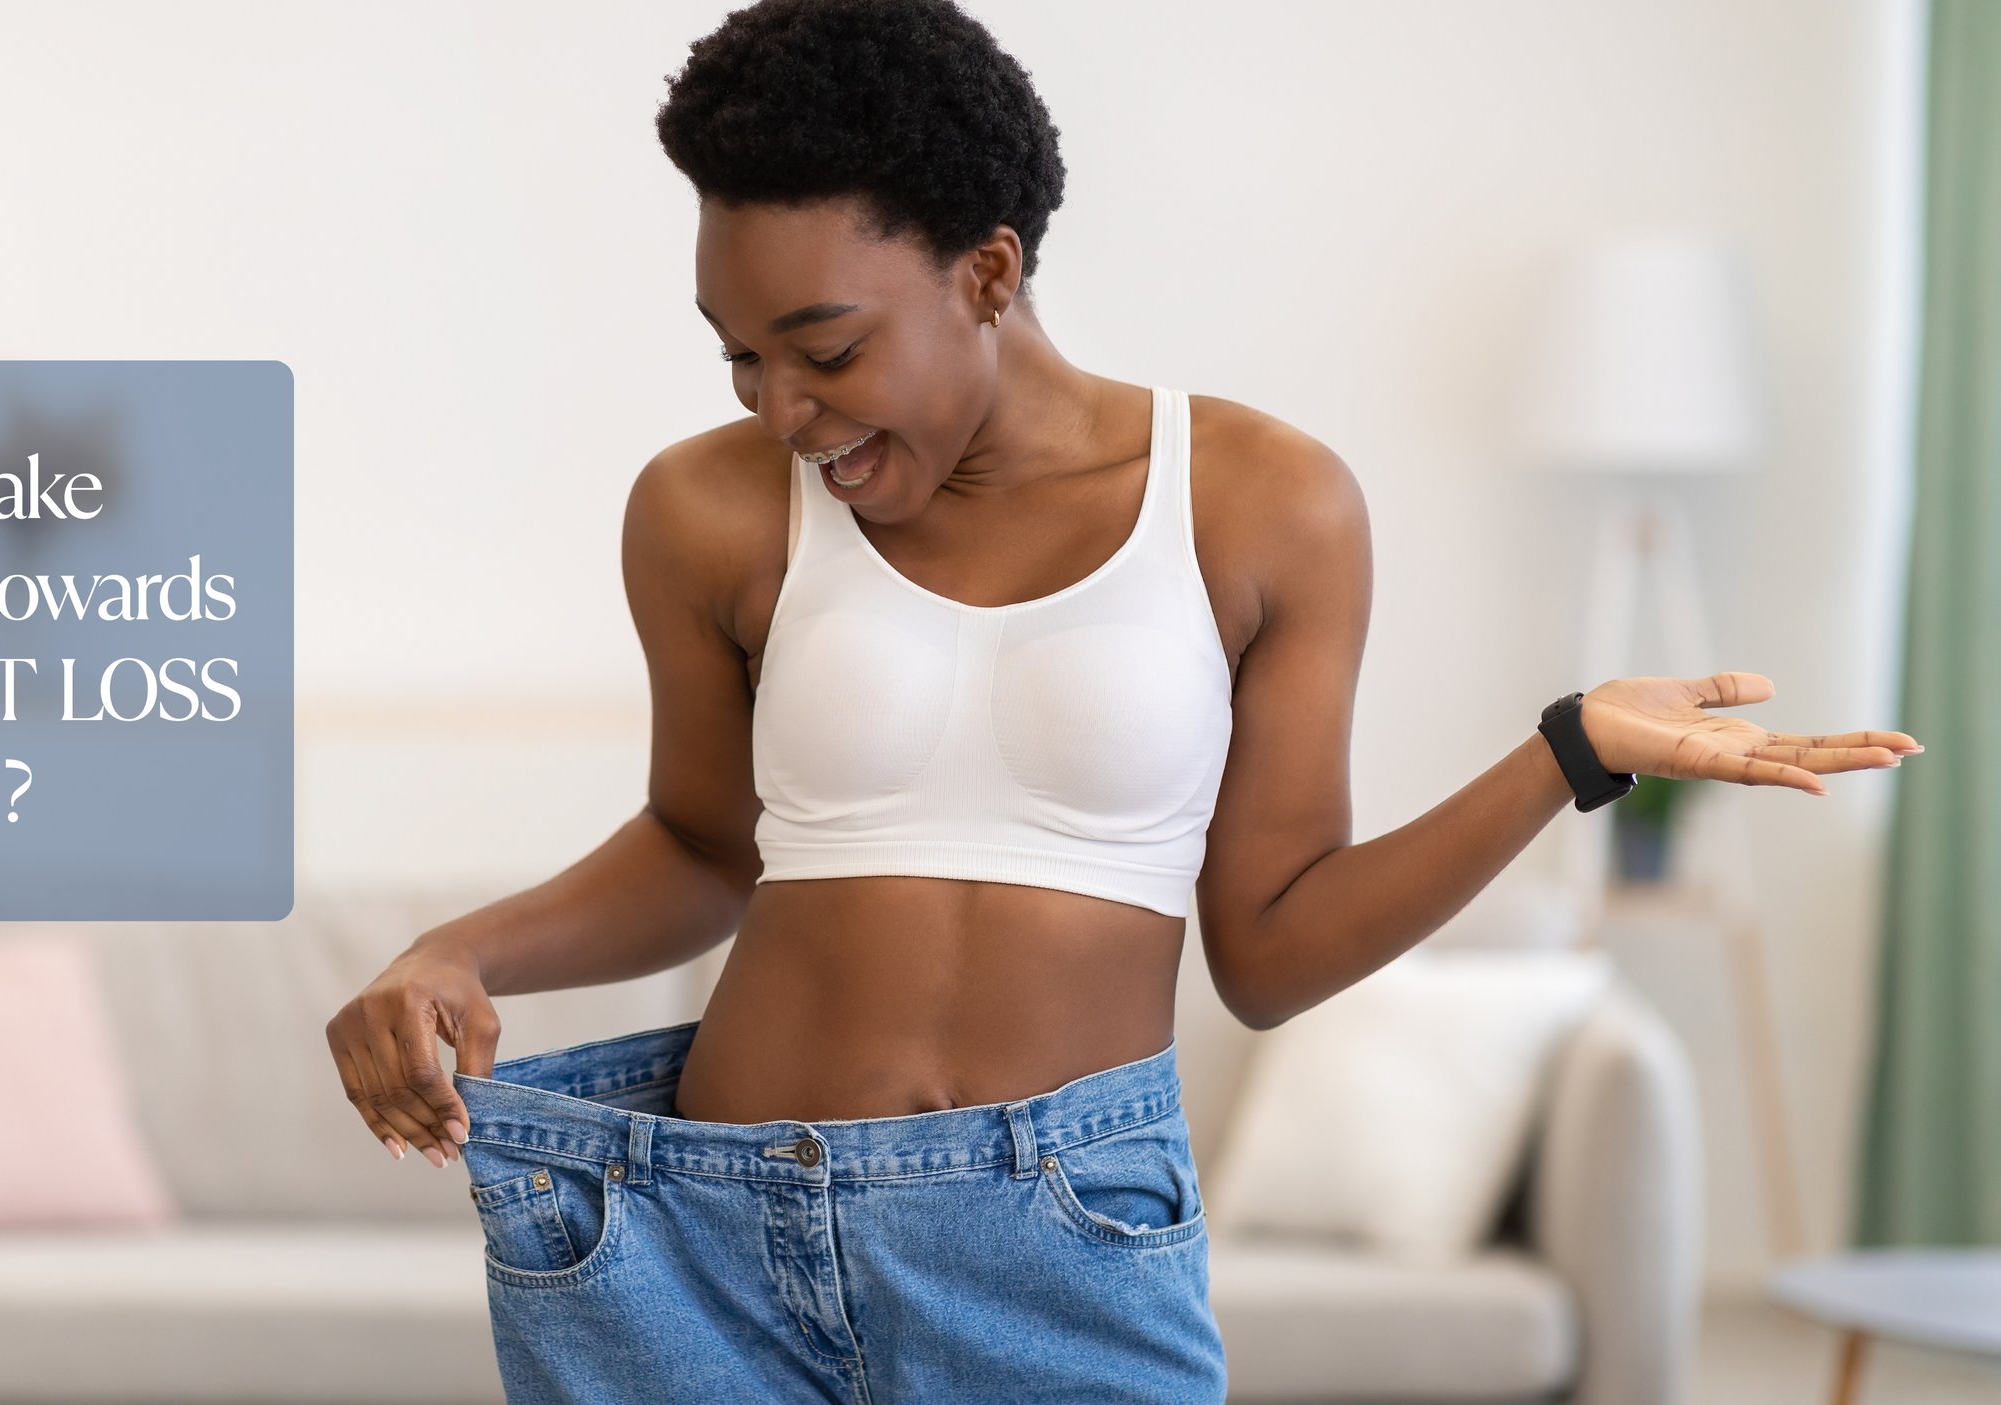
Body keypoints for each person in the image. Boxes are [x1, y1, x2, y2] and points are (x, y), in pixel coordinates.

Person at [325, 1, 1924, 1400]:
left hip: (1060, 1238)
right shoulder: (706, 511)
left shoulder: (1264, 504)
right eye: (739, 356)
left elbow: (1276, 947)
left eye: (824, 346)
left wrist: (1565, 752)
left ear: (990, 271)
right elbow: (698, 842)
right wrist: (460, 947)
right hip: (699, 1231)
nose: (781, 409)